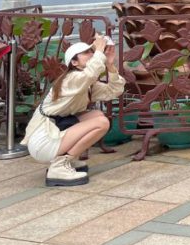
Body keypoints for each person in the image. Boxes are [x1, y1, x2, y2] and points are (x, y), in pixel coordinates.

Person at [23, 34, 125, 186]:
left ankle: (64, 161)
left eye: (92, 52)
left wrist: (110, 65)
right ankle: (59, 166)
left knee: (97, 115)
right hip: (43, 140)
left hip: (56, 130)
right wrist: (99, 49)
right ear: (74, 62)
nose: (91, 54)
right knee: (101, 123)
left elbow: (114, 90)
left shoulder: (86, 83)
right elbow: (91, 73)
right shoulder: (71, 79)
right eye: (86, 53)